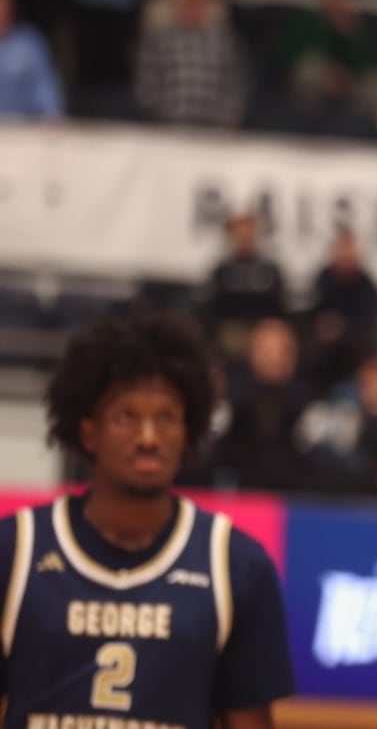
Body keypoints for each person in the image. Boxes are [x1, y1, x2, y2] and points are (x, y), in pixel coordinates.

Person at [0, 312, 296, 728]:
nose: (148, 438)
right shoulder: (15, 551)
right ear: (89, 432)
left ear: (188, 431)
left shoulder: (236, 566)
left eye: (166, 418)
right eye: (126, 417)